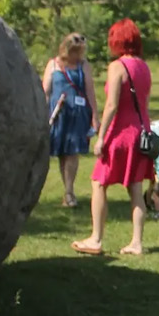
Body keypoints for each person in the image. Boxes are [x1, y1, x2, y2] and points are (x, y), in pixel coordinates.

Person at [71, 19, 155, 256]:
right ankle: (136, 243)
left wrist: (101, 137)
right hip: (141, 132)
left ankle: (96, 238)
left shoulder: (118, 66)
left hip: (121, 134)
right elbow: (145, 103)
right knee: (136, 188)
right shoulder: (144, 67)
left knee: (99, 182)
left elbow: (112, 105)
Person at [42, 33, 99, 208]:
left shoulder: (83, 66)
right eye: (75, 52)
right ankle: (68, 191)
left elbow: (90, 91)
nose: (78, 55)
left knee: (72, 151)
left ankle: (69, 191)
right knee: (61, 152)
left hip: (78, 114)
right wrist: (42, 116)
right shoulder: (53, 65)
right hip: (59, 114)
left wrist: (95, 116)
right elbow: (45, 91)